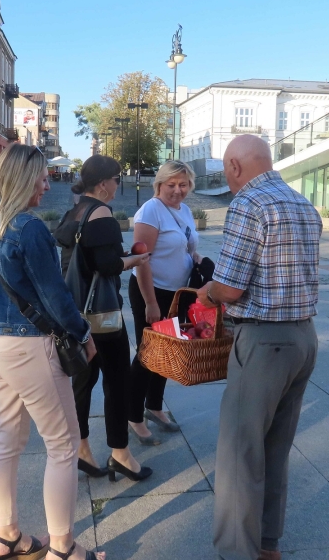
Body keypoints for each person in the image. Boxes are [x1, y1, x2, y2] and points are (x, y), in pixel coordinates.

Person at [0, 144, 106, 560]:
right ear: (21, 179)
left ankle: (7, 536)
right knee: (64, 445)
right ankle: (63, 548)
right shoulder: (28, 227)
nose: (47, 186)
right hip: (31, 347)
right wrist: (83, 333)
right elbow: (56, 296)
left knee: (5, 440)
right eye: (41, 179)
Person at [196, 135, 322, 560]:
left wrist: (208, 293)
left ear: (234, 166)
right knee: (275, 449)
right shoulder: (302, 203)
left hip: (264, 341)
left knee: (240, 453)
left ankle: (237, 552)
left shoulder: (249, 203)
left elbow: (230, 288)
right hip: (303, 337)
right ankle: (267, 544)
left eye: (225, 171)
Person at [55, 156, 152, 482]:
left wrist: (119, 257)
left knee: (83, 383)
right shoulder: (102, 214)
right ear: (102, 184)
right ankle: (120, 454)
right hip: (103, 316)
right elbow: (108, 265)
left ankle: (81, 449)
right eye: (116, 179)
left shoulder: (75, 211)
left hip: (76, 314)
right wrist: (136, 259)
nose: (117, 184)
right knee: (118, 381)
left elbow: (87, 259)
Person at [127, 160, 203, 444]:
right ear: (159, 184)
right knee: (148, 355)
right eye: (171, 184)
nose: (177, 190)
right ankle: (133, 416)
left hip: (177, 294)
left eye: (183, 184)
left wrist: (195, 258)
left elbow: (186, 245)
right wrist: (150, 302)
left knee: (167, 353)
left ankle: (155, 406)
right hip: (152, 292)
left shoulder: (184, 210)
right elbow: (141, 259)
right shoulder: (151, 210)